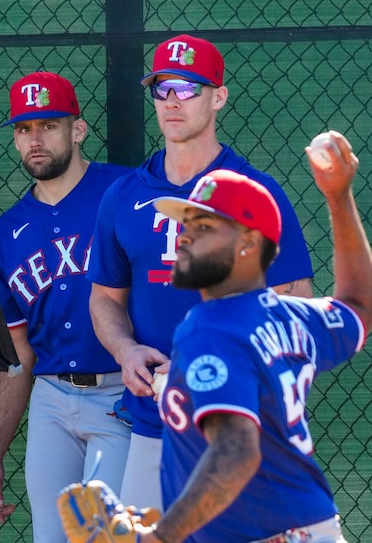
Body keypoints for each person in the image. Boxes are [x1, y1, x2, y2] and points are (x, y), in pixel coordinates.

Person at [87, 34, 314, 510]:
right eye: (162, 87)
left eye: (189, 88)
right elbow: (106, 298)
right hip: (154, 423)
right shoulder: (123, 196)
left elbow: (295, 305)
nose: (172, 101)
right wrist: (125, 349)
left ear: (218, 97)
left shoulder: (254, 192)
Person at [137, 136, 368, 543]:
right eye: (187, 224)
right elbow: (359, 306)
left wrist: (160, 537)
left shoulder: (210, 327)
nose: (185, 237)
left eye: (204, 225)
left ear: (249, 241)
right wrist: (338, 197)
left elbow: (236, 453)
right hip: (315, 529)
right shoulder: (293, 316)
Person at [0, 71, 133, 542]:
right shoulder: (10, 230)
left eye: (48, 124)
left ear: (78, 130)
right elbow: (17, 350)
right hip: (51, 401)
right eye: (24, 129)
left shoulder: (125, 193)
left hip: (120, 394)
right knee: (52, 535)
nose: (34, 139)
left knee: (109, 535)